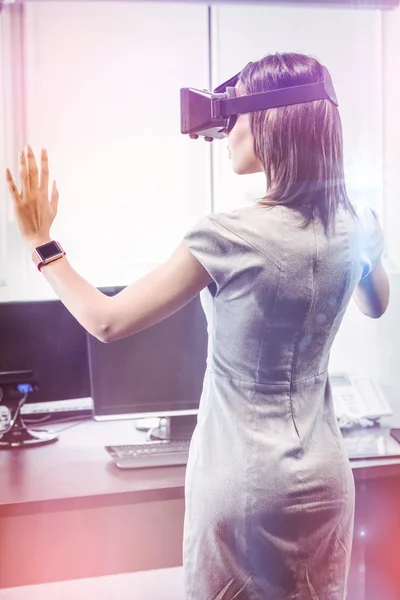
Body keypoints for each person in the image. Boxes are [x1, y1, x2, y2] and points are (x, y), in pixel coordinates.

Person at [6, 52, 389, 599]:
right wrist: (367, 245)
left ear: (271, 123)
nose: (226, 131)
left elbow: (107, 321)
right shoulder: (359, 223)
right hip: (327, 483)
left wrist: (41, 243)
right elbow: (375, 304)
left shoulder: (227, 236)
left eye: (233, 116)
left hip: (243, 484)